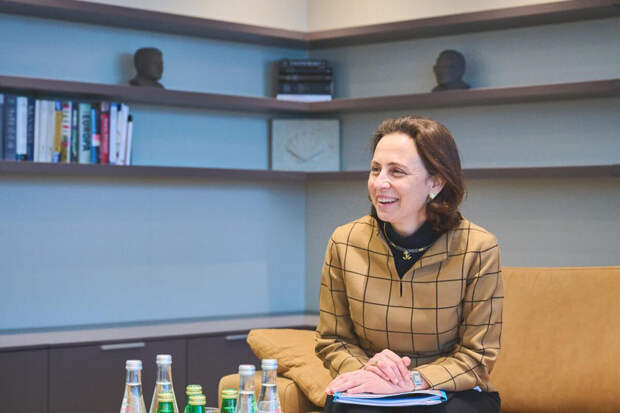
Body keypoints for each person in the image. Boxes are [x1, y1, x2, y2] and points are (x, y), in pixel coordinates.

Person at [315, 115, 503, 413]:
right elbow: (333, 339)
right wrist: (368, 373)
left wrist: (410, 381)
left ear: (436, 182)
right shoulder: (344, 241)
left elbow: (477, 356)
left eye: (397, 172)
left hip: (449, 392)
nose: (380, 183)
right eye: (375, 169)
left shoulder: (478, 247)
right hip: (368, 386)